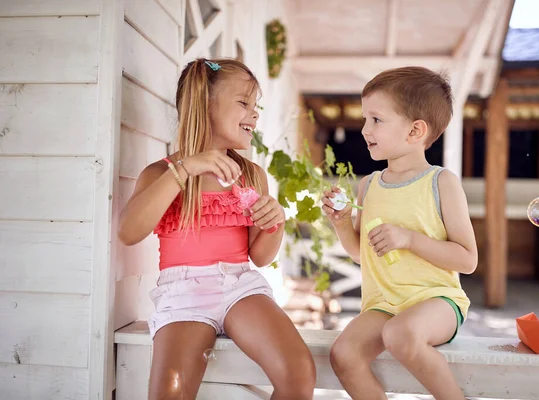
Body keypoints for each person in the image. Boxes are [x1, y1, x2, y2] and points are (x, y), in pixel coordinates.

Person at [118, 58, 316, 400]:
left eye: (256, 106)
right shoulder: (160, 173)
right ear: (204, 104)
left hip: (241, 286)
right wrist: (185, 169)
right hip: (183, 293)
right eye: (243, 103)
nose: (254, 114)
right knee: (171, 393)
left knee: (299, 372)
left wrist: (274, 223)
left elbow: (260, 256)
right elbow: (129, 232)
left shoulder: (252, 175)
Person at [321, 66, 478, 400]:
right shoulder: (369, 186)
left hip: (438, 302)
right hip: (385, 306)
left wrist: (410, 240)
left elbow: (467, 260)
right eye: (365, 119)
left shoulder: (441, 183)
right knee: (343, 354)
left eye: (376, 120)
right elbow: (360, 254)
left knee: (401, 334)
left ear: (415, 131)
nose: (364, 129)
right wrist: (341, 223)